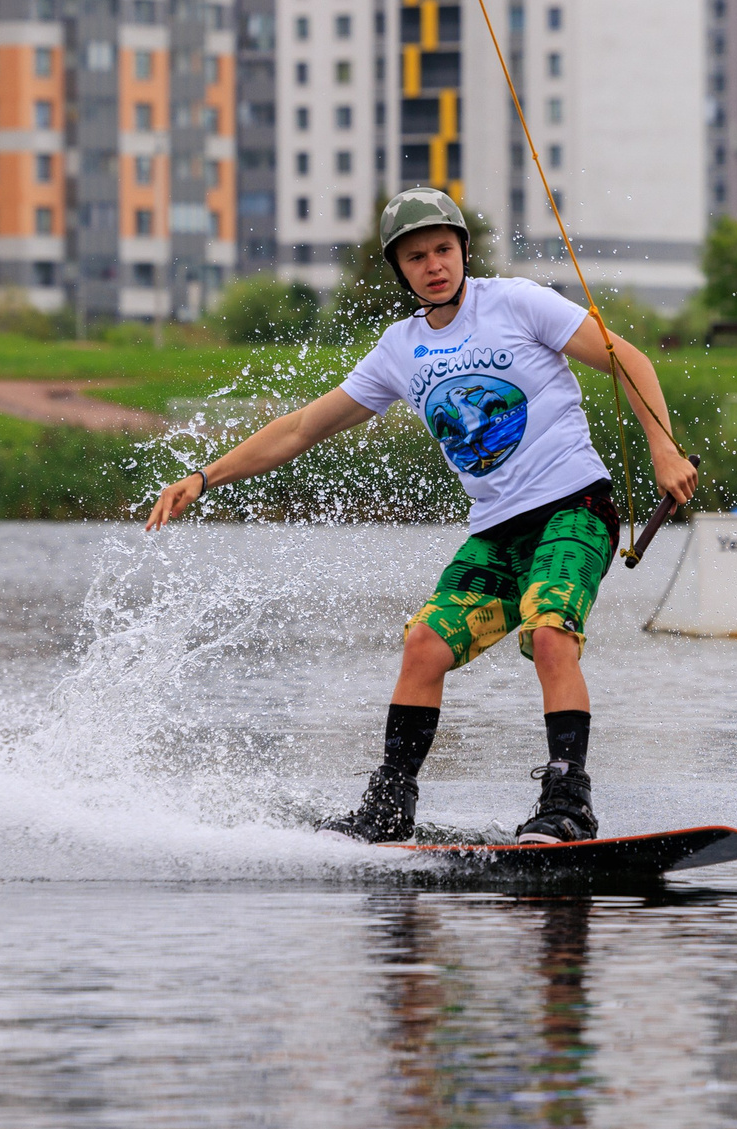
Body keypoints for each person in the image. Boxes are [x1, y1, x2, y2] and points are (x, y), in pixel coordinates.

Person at [144, 187, 697, 844]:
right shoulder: (399, 350)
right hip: (496, 532)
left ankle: (567, 802)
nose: (433, 265)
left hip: (575, 508)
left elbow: (623, 356)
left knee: (549, 629)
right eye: (415, 257)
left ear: (462, 250)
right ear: (400, 269)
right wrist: (205, 477)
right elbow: (298, 430)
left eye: (442, 249)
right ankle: (388, 803)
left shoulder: (516, 302)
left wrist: (662, 446)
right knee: (424, 644)